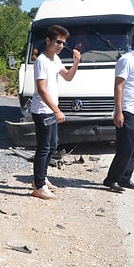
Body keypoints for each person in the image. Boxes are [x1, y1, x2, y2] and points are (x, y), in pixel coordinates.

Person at [31, 25, 81, 200]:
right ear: (48, 40)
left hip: (50, 111)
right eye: (57, 41)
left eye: (63, 43)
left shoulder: (56, 60)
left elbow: (67, 77)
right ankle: (39, 186)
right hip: (42, 110)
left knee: (52, 145)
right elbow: (41, 90)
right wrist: (56, 110)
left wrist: (76, 62)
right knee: (44, 148)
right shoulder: (42, 61)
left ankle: (42, 178)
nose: (60, 45)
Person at [103, 28, 134, 193]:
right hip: (127, 110)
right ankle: (112, 179)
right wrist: (118, 111)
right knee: (126, 147)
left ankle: (125, 178)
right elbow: (119, 86)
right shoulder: (127, 60)